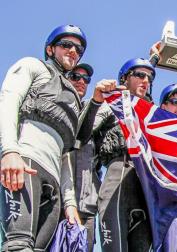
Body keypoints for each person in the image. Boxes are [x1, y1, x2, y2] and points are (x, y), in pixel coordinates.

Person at [0, 24, 90, 251]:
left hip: (54, 180)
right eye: (66, 45)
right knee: (19, 245)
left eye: (78, 49)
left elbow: (65, 155)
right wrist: (9, 151)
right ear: (50, 49)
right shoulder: (32, 66)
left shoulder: (72, 99)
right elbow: (7, 102)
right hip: (25, 162)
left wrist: (69, 203)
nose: (73, 51)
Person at [92, 58, 156, 251]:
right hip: (116, 180)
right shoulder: (110, 103)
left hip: (144, 189)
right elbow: (82, 134)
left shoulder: (153, 113)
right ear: (124, 78)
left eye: (150, 77)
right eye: (139, 75)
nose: (146, 80)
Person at [64, 63, 100, 252]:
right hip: (54, 201)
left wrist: (152, 60)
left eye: (86, 79)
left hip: (86, 207)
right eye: (75, 76)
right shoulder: (54, 109)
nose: (81, 82)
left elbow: (131, 99)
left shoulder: (96, 111)